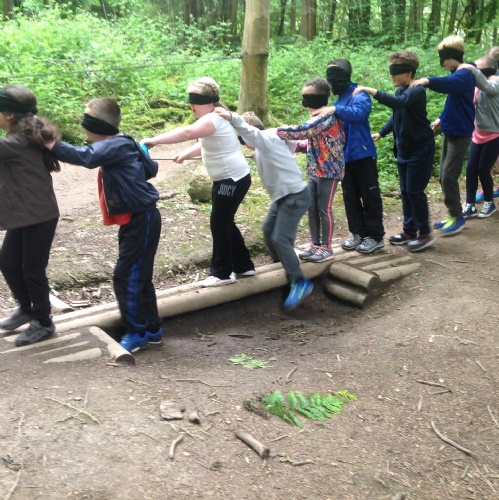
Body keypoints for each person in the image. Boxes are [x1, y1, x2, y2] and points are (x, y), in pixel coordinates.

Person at [45, 98, 163, 353]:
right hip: (140, 218)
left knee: (126, 276)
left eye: (87, 120)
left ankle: (137, 332)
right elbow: (150, 169)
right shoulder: (124, 142)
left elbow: (86, 157)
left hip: (141, 218)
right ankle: (151, 328)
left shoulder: (116, 144)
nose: (83, 125)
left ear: (97, 125)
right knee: (139, 275)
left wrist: (52, 145)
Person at [141, 77, 255, 287]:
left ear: (210, 101)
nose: (192, 105)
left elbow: (187, 132)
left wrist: (154, 140)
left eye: (197, 100)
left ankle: (223, 273)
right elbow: (207, 143)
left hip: (230, 181)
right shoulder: (214, 118)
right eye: (191, 100)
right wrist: (186, 153)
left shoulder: (212, 119)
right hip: (232, 179)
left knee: (219, 224)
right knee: (225, 222)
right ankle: (243, 265)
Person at [215, 109, 313, 309]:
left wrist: (232, 117)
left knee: (280, 238)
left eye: (241, 139)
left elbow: (252, 133)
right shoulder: (268, 143)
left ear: (247, 134)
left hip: (295, 195)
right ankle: (282, 262)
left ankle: (299, 282)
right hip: (282, 197)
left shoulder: (266, 138)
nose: (242, 144)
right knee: (268, 229)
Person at [353, 51, 436, 252]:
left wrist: (371, 90)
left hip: (420, 149)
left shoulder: (416, 91)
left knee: (415, 192)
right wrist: (381, 133)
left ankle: (425, 234)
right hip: (404, 150)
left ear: (408, 73)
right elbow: (396, 113)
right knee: (406, 192)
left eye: (395, 72)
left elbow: (399, 103)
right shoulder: (401, 91)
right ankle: (409, 231)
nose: (392, 76)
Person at [0, 85, 61, 346]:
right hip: (25, 214)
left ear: (9, 114)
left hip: (39, 215)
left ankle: (44, 321)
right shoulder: (20, 136)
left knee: (33, 270)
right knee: (9, 262)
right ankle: (27, 309)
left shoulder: (17, 142)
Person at [313, 59, 385, 254]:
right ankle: (358, 233)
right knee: (350, 197)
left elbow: (359, 114)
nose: (331, 83)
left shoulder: (359, 94)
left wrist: (336, 110)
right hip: (343, 158)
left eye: (334, 77)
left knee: (369, 196)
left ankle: (375, 236)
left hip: (363, 154)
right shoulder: (338, 99)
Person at [275, 77, 345, 263]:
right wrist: (298, 147)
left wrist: (275, 131)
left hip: (329, 170)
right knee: (312, 207)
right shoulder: (316, 117)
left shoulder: (326, 117)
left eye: (309, 97)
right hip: (314, 169)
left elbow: (303, 131)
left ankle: (327, 247)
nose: (305, 101)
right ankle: (315, 244)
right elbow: (317, 141)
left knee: (324, 208)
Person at [411, 35, 475, 236]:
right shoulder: (457, 73)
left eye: (444, 58)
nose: (442, 62)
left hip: (461, 132)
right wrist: (441, 118)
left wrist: (427, 80)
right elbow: (453, 102)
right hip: (450, 129)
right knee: (443, 176)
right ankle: (453, 214)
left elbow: (449, 84)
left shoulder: (465, 74)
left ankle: (457, 216)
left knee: (449, 176)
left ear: (453, 56)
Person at [459, 56, 499, 219]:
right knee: (471, 169)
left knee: (483, 170)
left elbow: (487, 86)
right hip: (478, 134)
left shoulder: (496, 83)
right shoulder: (477, 86)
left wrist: (470, 69)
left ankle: (489, 203)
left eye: (478, 68)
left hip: (494, 134)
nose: (475, 70)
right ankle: (469, 205)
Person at [476, 45, 499, 203]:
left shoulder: (495, 80)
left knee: (495, 156)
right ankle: (487, 189)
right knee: (488, 159)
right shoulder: (488, 77)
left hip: (495, 124)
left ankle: (487, 189)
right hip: (485, 123)